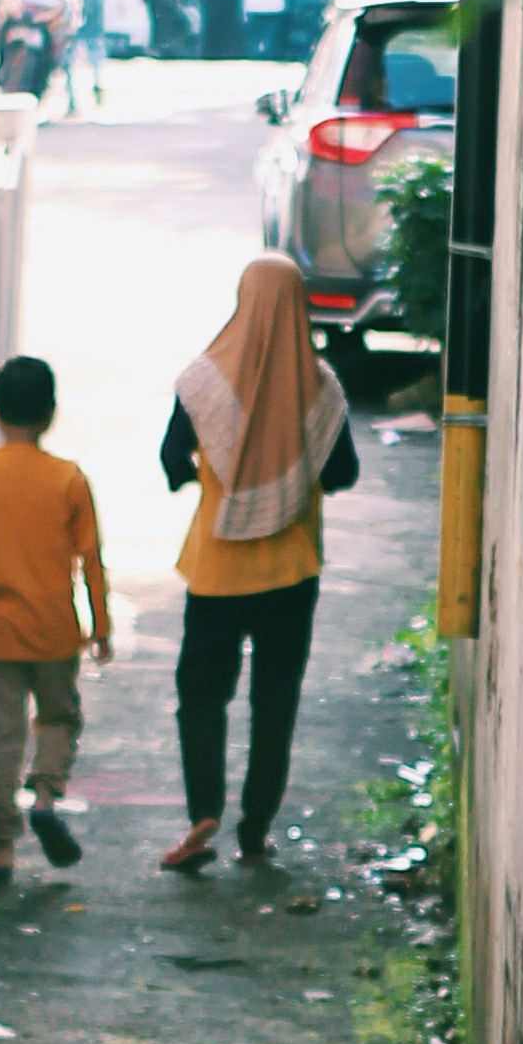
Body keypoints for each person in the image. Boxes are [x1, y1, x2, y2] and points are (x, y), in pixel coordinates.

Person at [156, 254, 357, 871]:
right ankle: (256, 826)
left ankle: (202, 813)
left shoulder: (202, 384)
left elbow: (170, 464)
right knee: (275, 701)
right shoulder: (321, 388)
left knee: (202, 695)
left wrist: (222, 480)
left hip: (217, 574)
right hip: (292, 576)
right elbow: (343, 473)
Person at [0, 351, 112, 880]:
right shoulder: (69, 480)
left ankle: (2, 847)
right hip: (56, 633)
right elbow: (91, 561)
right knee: (58, 718)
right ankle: (47, 797)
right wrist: (100, 626)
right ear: (50, 413)